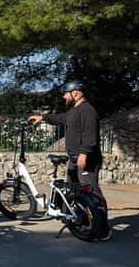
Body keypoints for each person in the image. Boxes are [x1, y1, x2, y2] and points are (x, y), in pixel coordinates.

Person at [28, 79, 111, 241]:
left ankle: (103, 230)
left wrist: (84, 153)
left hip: (87, 159)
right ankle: (85, 221)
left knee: (93, 193)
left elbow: (91, 135)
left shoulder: (87, 111)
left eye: (66, 93)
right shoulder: (74, 111)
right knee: (74, 191)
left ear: (76, 93)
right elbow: (60, 118)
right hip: (75, 160)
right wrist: (42, 117)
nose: (64, 96)